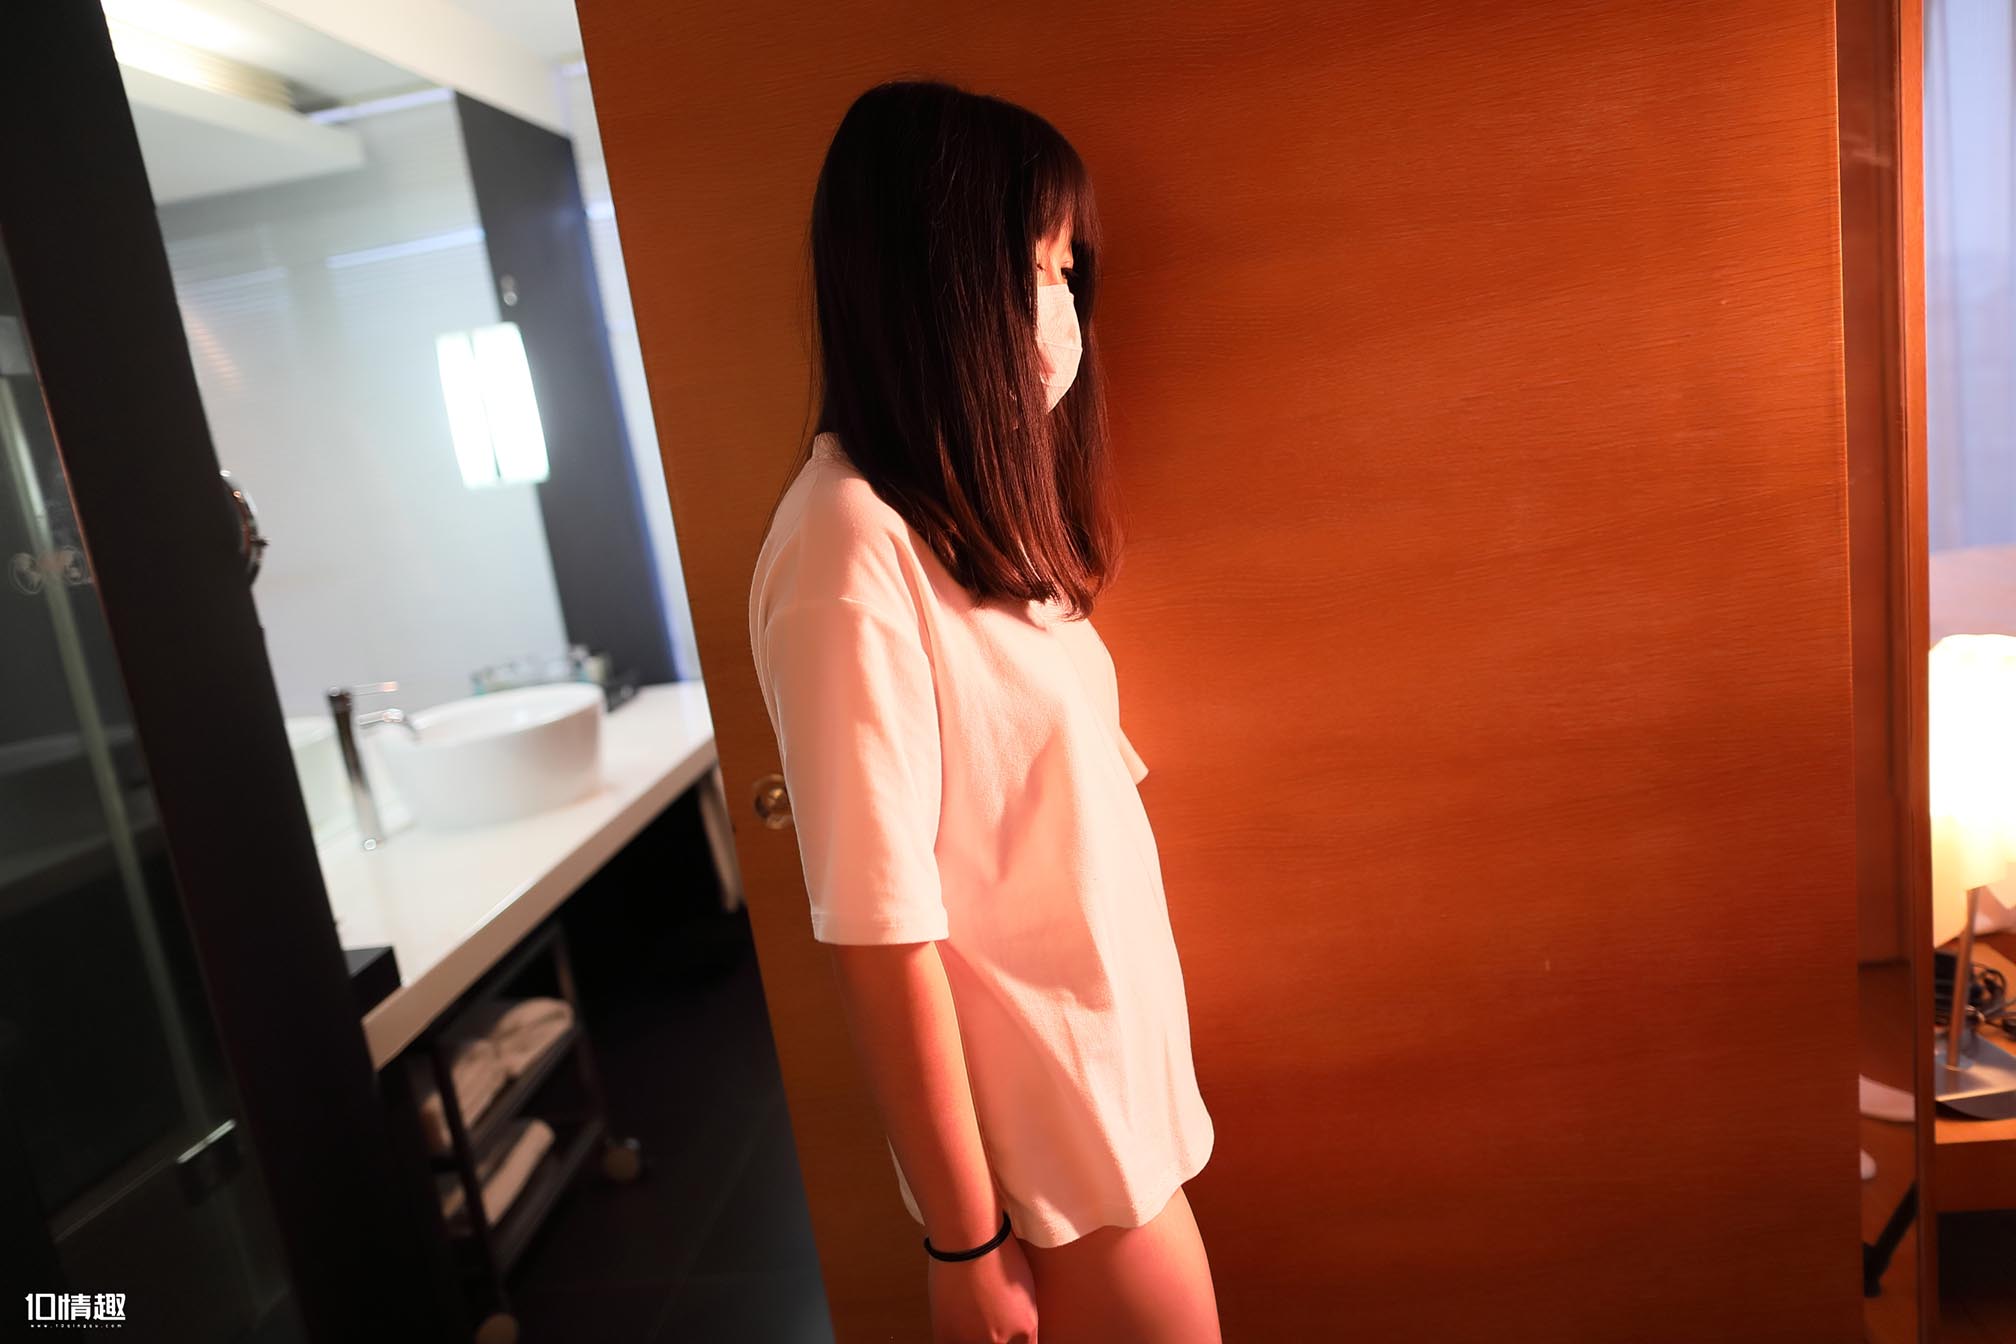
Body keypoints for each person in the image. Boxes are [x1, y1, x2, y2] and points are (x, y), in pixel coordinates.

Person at [748, 78, 1219, 1344]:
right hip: (1055, 1167)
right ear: (936, 283)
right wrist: (965, 1243)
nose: (1063, 312)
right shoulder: (847, 544)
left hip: (1114, 1107)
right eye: (1034, 269)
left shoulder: (972, 527)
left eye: (1070, 272)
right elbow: (879, 929)